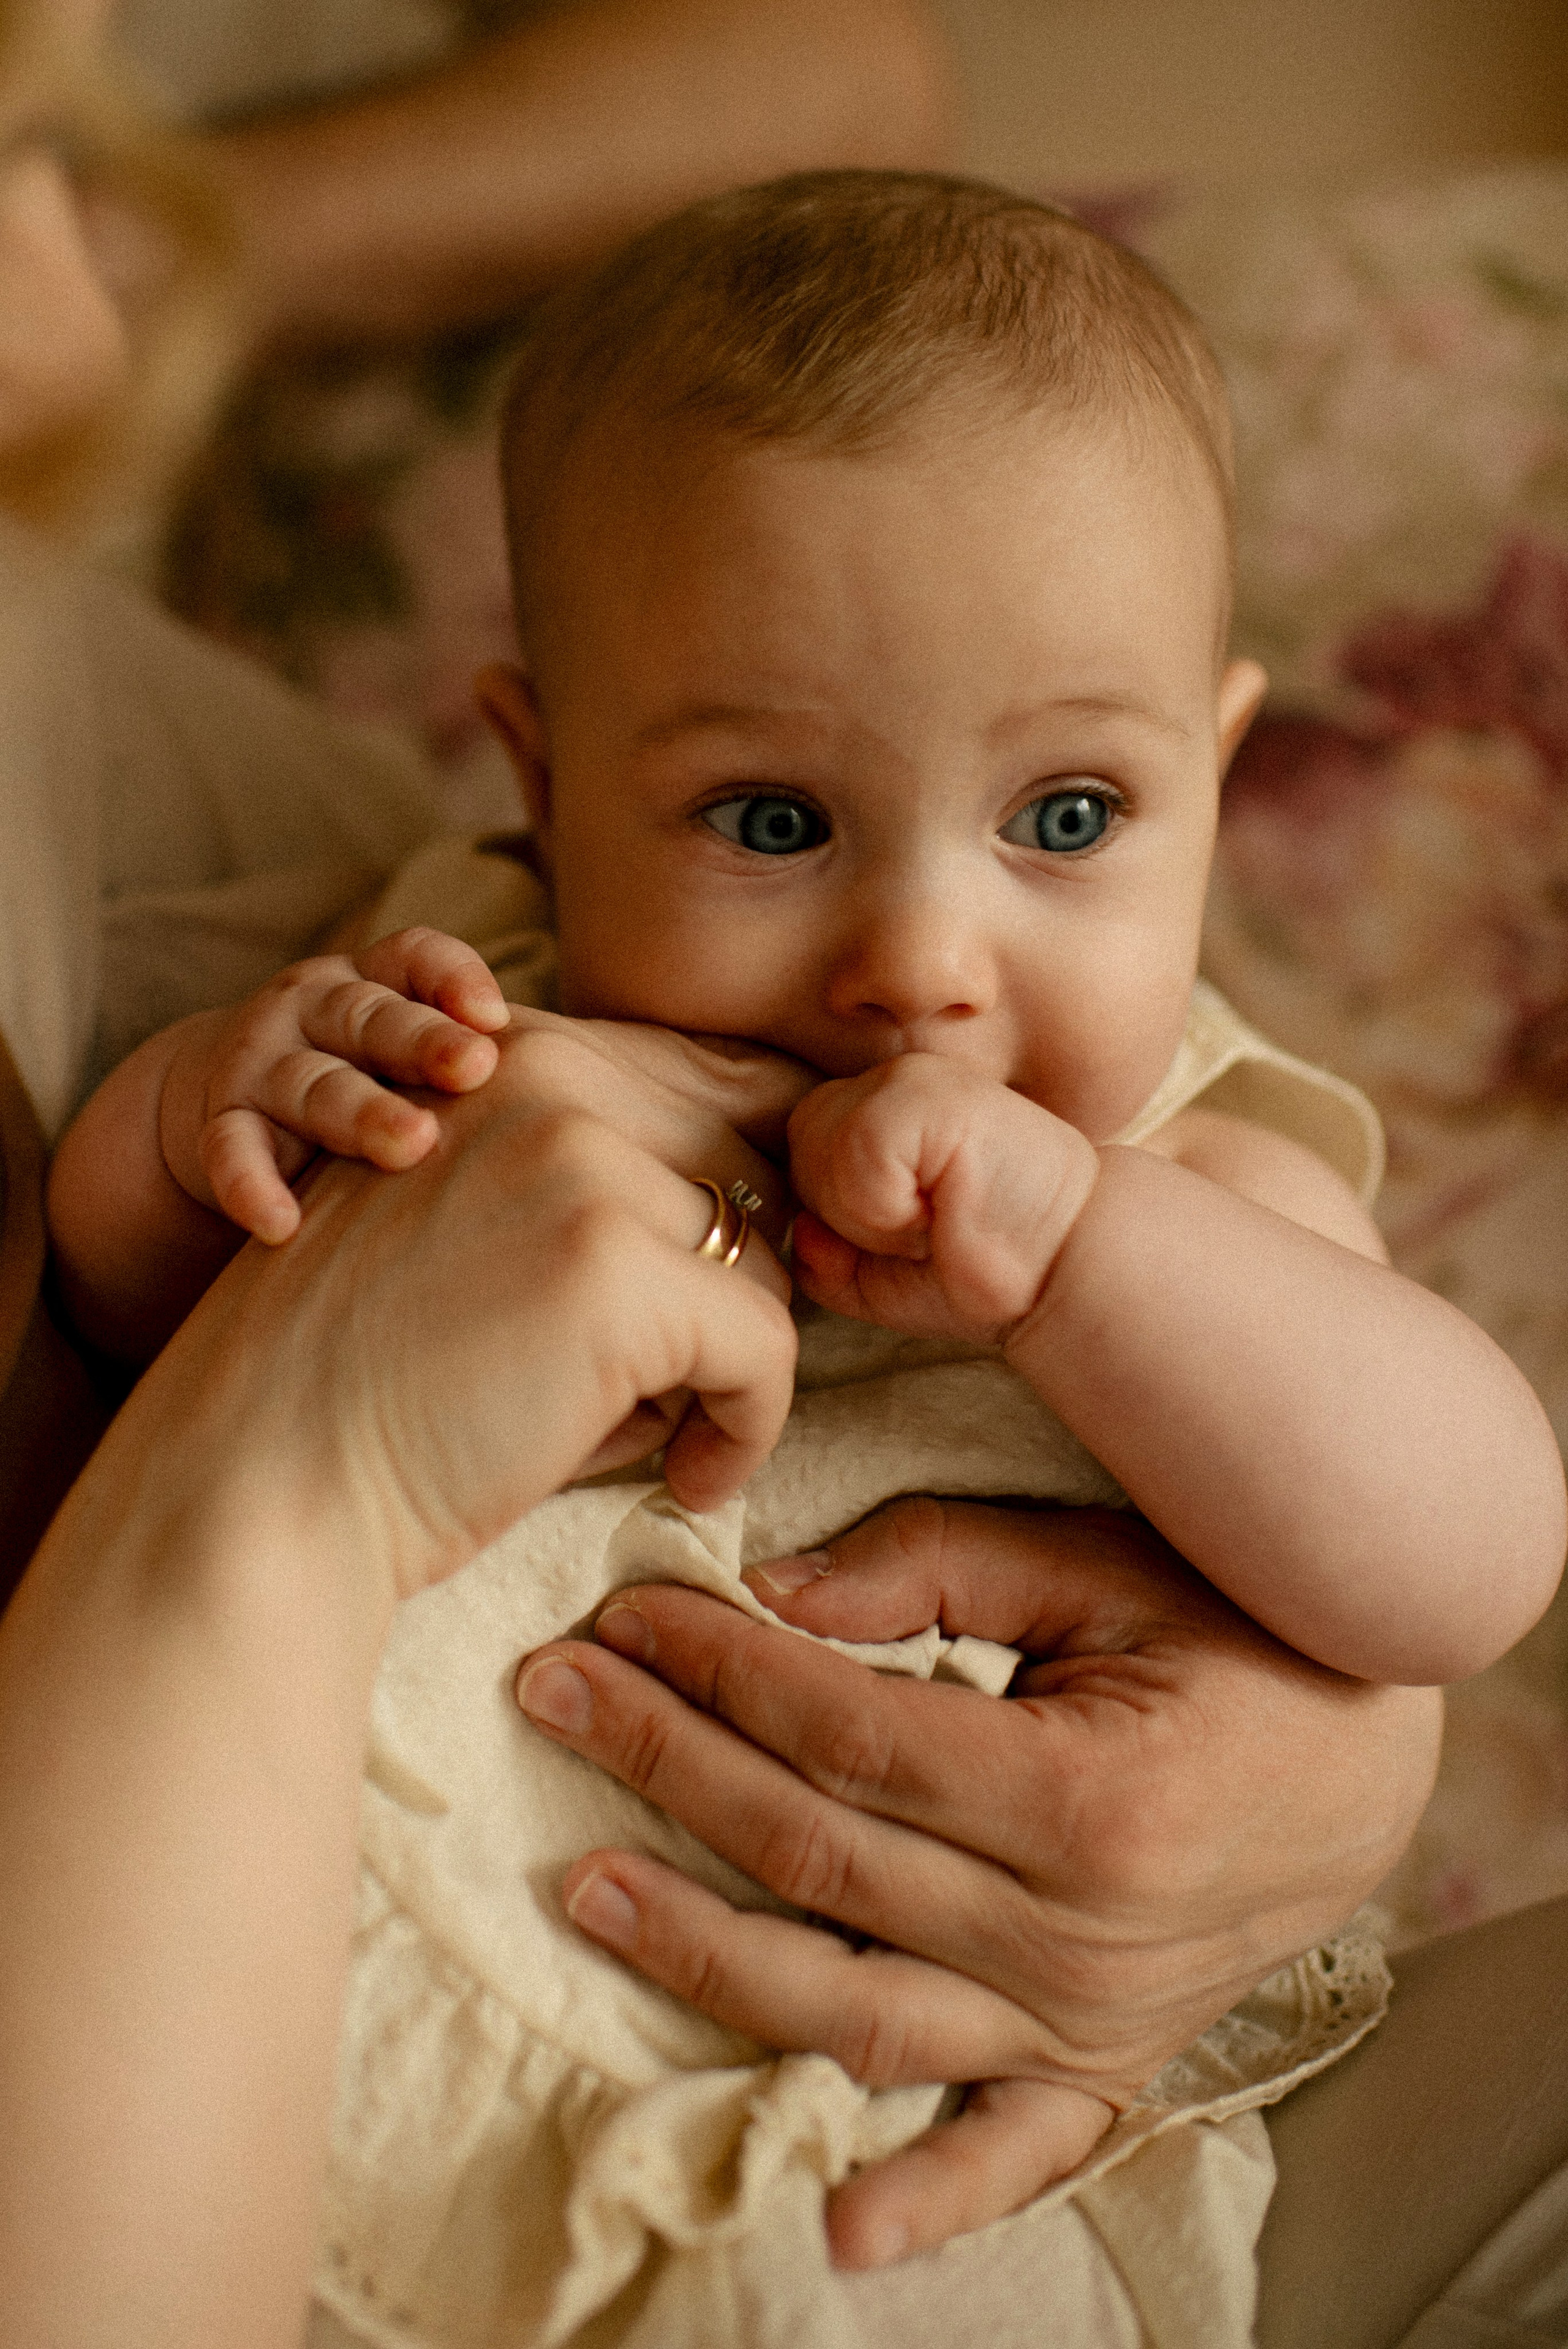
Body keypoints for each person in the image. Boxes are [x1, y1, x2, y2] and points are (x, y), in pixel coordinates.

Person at [41, 175, 1564, 2343]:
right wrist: (208, 1113)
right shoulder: (456, 987)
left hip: (885, 2172)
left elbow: (1468, 1555)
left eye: (1066, 818)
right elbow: (116, 1311)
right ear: (545, 778)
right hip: (309, 2077)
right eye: (772, 820)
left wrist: (1083, 1254)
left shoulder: (1196, 1173)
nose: (923, 960)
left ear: (1215, 777)